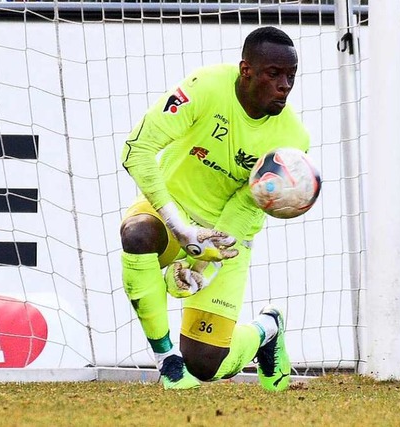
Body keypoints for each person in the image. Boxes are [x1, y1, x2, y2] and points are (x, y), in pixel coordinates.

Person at [120, 26, 310, 391]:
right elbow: (136, 149)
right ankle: (167, 360)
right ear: (246, 70)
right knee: (137, 232)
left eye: (291, 76)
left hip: (226, 235)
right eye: (274, 74)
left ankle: (266, 331)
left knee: (206, 364)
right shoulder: (204, 87)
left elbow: (250, 208)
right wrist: (179, 227)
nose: (285, 85)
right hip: (169, 211)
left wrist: (204, 265)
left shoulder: (293, 141)